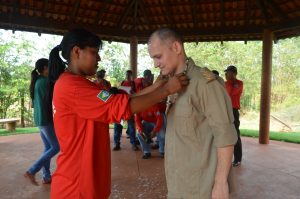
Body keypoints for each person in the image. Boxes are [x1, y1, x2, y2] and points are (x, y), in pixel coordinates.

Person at [47, 28, 189, 199]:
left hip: (83, 182)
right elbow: (122, 108)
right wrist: (166, 89)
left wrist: (156, 86)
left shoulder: (80, 84)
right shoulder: (73, 87)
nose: (98, 59)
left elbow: (120, 100)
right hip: (77, 187)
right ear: (77, 51)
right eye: (94, 52)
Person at [148, 28, 237, 199]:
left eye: (158, 57)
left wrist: (220, 183)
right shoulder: (172, 84)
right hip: (179, 183)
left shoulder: (205, 83)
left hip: (202, 188)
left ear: (176, 47)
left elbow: (224, 135)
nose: (155, 64)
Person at [24, 58, 60, 185]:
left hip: (39, 119)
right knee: (56, 147)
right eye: (50, 67)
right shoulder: (45, 82)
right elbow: (52, 101)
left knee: (48, 147)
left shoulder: (37, 81)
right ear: (45, 68)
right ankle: (32, 170)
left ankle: (46, 176)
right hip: (45, 119)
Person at [113, 70, 138, 151]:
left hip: (129, 107)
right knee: (117, 126)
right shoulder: (123, 82)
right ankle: (117, 144)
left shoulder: (133, 83)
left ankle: (133, 143)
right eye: (126, 74)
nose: (127, 76)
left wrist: (132, 92)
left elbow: (137, 94)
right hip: (120, 107)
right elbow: (118, 92)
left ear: (131, 75)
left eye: (129, 75)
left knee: (131, 127)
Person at [224, 65, 244, 167]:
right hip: (225, 110)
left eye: (228, 72)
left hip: (234, 110)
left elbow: (231, 93)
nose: (226, 74)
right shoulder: (225, 83)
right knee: (225, 134)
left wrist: (231, 82)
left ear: (234, 73)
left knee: (235, 134)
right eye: (226, 73)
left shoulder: (239, 83)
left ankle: (237, 158)